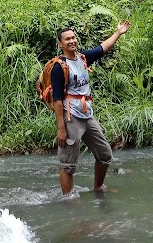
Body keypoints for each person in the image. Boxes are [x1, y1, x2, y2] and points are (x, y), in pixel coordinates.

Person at [51, 21, 131, 194]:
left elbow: (103, 48)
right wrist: (61, 129)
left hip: (87, 115)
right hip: (71, 118)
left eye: (73, 38)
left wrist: (118, 33)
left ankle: (98, 188)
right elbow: (57, 100)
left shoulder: (83, 58)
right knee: (68, 164)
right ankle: (68, 200)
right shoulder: (59, 67)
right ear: (60, 44)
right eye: (67, 39)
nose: (72, 41)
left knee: (105, 154)